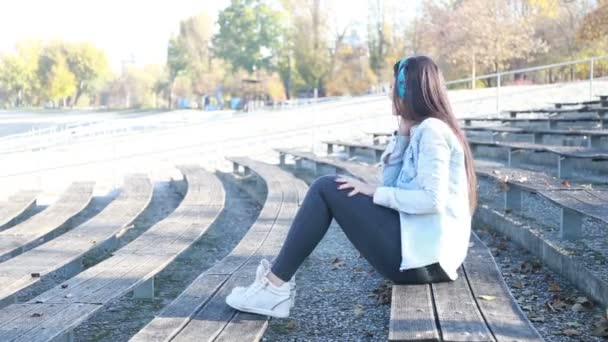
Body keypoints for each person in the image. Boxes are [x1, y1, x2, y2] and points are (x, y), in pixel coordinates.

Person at [225, 55, 478, 318]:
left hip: (425, 260)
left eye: (394, 87)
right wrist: (401, 139)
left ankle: (274, 287)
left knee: (325, 188)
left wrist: (373, 192)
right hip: (423, 256)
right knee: (329, 187)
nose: (391, 95)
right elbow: (393, 185)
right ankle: (275, 286)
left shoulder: (432, 131)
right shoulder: (422, 130)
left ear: (407, 91)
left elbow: (430, 200)